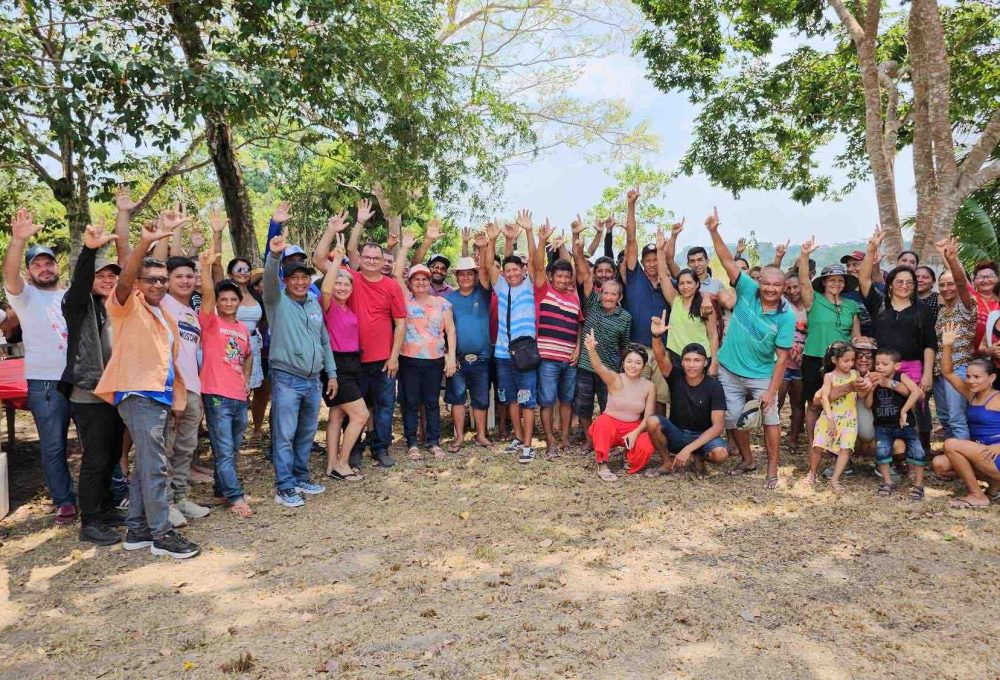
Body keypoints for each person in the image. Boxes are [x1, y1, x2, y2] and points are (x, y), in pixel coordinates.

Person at [93, 218, 199, 559]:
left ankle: (138, 530)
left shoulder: (161, 315)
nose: (159, 284)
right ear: (138, 282)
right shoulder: (126, 305)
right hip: (138, 394)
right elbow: (124, 279)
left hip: (159, 396)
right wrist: (145, 243)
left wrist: (177, 399)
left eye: (163, 280)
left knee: (144, 466)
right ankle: (161, 534)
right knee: (155, 465)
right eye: (152, 279)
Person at [706, 208, 795, 489]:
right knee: (732, 418)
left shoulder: (786, 316)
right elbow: (726, 260)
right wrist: (713, 231)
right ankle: (747, 459)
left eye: (776, 285)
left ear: (783, 288)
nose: (770, 289)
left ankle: (772, 467)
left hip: (761, 374)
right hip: (730, 369)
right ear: (759, 283)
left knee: (770, 419)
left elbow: (781, 360)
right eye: (766, 283)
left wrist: (771, 391)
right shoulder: (746, 290)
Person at [315, 203, 405, 469]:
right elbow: (320, 260)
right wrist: (357, 224)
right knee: (350, 409)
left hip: (383, 361)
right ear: (360, 258)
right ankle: (353, 450)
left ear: (383, 261)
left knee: (385, 407)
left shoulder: (392, 286)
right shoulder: (349, 280)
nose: (371, 261)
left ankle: (381, 448)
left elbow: (400, 324)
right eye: (367, 257)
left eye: (377, 258)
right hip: (353, 361)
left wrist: (394, 357)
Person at [2, 208, 74, 523]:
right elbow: (10, 275)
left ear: (57, 267)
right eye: (37, 264)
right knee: (54, 444)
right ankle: (64, 500)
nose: (44, 268)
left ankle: (107, 492)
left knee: (97, 440)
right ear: (29, 271)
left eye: (49, 262)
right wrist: (18, 241)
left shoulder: (71, 295)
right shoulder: (25, 297)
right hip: (45, 384)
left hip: (81, 379)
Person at [60, 224, 126, 544]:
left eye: (112, 276)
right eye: (102, 275)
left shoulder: (115, 308)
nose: (108, 280)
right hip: (88, 393)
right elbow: (79, 283)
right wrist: (89, 251)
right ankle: (90, 521)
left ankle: (108, 507)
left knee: (112, 453)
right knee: (96, 457)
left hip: (114, 392)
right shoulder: (78, 305)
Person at [263, 233, 337, 508]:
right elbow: (269, 281)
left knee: (306, 433)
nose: (300, 281)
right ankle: (284, 487)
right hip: (286, 379)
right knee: (284, 434)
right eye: (294, 277)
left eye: (304, 277)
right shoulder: (276, 301)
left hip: (313, 381)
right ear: (285, 279)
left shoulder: (313, 304)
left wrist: (332, 373)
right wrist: (272, 256)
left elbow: (324, 341)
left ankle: (300, 476)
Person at [860, 229, 936, 457]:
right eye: (899, 281)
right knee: (884, 408)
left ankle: (917, 452)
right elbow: (863, 279)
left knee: (914, 410)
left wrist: (928, 374)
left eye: (909, 282)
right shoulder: (879, 303)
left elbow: (929, 343)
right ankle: (890, 454)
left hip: (913, 366)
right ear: (890, 284)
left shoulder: (922, 310)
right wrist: (872, 248)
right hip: (882, 366)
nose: (904, 285)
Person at [196, 244, 253, 518]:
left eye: (233, 299)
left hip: (239, 396)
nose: (228, 303)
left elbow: (248, 355)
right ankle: (235, 496)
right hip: (216, 394)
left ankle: (221, 489)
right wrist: (205, 266)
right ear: (218, 302)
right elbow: (207, 293)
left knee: (232, 446)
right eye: (224, 299)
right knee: (224, 449)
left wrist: (247, 378)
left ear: (239, 302)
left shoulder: (242, 329)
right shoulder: (210, 322)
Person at [393, 230, 457, 460]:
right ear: (410, 283)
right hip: (409, 359)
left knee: (431, 402)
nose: (420, 282)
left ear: (429, 282)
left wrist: (450, 358)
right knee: (410, 402)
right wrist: (404, 248)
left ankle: (433, 441)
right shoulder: (404, 299)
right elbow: (395, 275)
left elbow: (450, 330)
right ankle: (412, 443)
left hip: (434, 360)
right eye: (416, 279)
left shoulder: (442, 303)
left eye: (424, 279)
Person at [571, 221, 632, 453]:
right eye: (605, 292)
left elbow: (624, 346)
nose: (608, 296)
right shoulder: (592, 301)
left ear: (619, 296)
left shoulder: (625, 317)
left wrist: (622, 370)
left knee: (609, 407)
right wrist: (578, 249)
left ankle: (611, 441)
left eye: (613, 294)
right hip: (586, 366)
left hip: (610, 370)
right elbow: (584, 273)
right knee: (583, 405)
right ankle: (589, 440)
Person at [157, 253, 209, 526]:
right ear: (167, 280)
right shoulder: (160, 303)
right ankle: (163, 504)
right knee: (164, 448)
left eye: (190, 276)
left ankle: (181, 498)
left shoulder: (192, 312)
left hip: (193, 388)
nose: (186, 280)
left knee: (186, 448)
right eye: (179, 276)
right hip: (169, 388)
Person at [483, 217, 538, 463]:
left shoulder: (529, 286)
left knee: (527, 399)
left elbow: (538, 261)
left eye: (516, 269)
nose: (512, 273)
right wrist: (494, 240)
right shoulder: (501, 287)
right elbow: (488, 265)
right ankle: (517, 437)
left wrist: (528, 232)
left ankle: (528, 444)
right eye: (508, 270)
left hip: (525, 352)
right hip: (503, 354)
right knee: (511, 397)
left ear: (523, 271)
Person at [797, 239, 862, 448]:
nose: (836, 284)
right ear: (824, 282)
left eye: (840, 280)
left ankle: (837, 445)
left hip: (840, 363)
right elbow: (804, 282)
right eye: (831, 280)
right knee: (814, 403)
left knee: (840, 404)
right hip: (814, 358)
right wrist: (805, 255)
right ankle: (813, 445)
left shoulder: (851, 305)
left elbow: (855, 337)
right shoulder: (813, 300)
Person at [645, 314, 728, 477]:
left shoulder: (714, 386)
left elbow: (718, 426)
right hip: (678, 433)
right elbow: (661, 357)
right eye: (687, 360)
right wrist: (656, 336)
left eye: (697, 360)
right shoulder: (676, 376)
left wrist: (688, 449)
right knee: (652, 421)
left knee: (720, 454)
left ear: (705, 363)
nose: (692, 365)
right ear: (681, 362)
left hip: (703, 435)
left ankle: (698, 455)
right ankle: (667, 462)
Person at [530, 220, 583, 457]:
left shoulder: (574, 298)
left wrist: (578, 348)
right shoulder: (543, 290)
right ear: (552, 277)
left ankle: (564, 440)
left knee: (567, 401)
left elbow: (579, 325)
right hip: (547, 358)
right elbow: (538, 267)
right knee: (547, 401)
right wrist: (542, 240)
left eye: (566, 277)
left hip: (569, 359)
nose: (563, 280)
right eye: (559, 276)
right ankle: (550, 441)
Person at [318, 232, 366, 481]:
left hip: (352, 363)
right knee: (361, 415)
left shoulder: (349, 308)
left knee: (337, 415)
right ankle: (343, 463)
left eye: (347, 284)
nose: (342, 287)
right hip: (334, 364)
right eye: (338, 283)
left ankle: (331, 465)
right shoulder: (326, 305)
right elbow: (326, 290)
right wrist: (337, 260)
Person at [938, 322, 1000, 508]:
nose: (971, 381)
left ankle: (977, 495)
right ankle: (994, 485)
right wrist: (947, 345)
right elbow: (947, 372)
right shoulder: (970, 393)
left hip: (995, 454)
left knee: (950, 444)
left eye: (977, 377)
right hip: (981, 453)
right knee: (940, 464)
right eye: (969, 376)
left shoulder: (998, 398)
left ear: (991, 378)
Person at [582, 330, 656, 481]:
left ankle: (628, 456)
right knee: (602, 422)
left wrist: (636, 433)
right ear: (623, 363)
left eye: (638, 362)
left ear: (643, 366)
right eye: (629, 361)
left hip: (633, 428)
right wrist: (591, 350)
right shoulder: (616, 379)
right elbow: (599, 367)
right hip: (611, 427)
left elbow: (648, 417)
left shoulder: (649, 386)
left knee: (647, 442)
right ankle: (602, 463)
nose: (633, 366)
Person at [620, 183, 670, 408]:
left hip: (662, 348)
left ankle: (658, 440)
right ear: (642, 261)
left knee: (660, 398)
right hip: (636, 347)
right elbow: (631, 240)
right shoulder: (635, 277)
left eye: (655, 259)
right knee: (635, 399)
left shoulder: (672, 285)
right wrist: (631, 206)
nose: (652, 263)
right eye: (647, 259)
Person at [445, 251, 493, 451]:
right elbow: (445, 330)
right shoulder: (449, 299)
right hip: (457, 360)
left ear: (475, 275)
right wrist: (449, 356)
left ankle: (481, 435)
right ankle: (458, 437)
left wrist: (483, 249)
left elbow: (485, 272)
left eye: (469, 274)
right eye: (461, 274)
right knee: (457, 398)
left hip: (482, 358)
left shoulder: (483, 293)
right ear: (456, 277)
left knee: (481, 398)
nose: (465, 277)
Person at [655, 231, 719, 374]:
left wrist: (714, 363)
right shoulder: (675, 300)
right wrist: (660, 250)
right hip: (677, 357)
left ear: (697, 284)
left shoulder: (705, 305)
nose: (685, 286)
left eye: (689, 282)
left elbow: (713, 336)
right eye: (682, 283)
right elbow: (663, 277)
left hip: (700, 358)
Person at [866, 348, 926, 500]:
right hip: (882, 425)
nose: (879, 367)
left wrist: (904, 410)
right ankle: (887, 482)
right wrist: (871, 388)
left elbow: (916, 392)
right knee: (882, 452)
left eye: (885, 364)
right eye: (877, 363)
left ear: (897, 366)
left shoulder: (901, 376)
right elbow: (868, 405)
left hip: (905, 424)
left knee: (917, 451)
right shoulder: (874, 380)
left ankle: (919, 485)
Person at [933, 237, 975, 440]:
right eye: (942, 284)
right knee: (944, 418)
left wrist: (952, 259)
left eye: (950, 284)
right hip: (940, 370)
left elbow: (960, 281)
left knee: (957, 418)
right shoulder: (943, 310)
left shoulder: (966, 306)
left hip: (958, 368)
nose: (946, 288)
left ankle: (964, 459)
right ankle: (953, 458)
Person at [804, 342, 859, 493]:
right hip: (830, 417)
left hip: (849, 419)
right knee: (818, 446)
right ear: (835, 360)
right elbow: (825, 398)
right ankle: (813, 472)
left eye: (852, 360)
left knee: (845, 449)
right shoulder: (829, 376)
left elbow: (861, 395)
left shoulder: (855, 375)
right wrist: (829, 419)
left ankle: (835, 478)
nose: (850, 364)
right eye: (846, 360)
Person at [779, 271, 807, 452]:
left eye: (796, 286)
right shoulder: (783, 305)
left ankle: (793, 438)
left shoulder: (810, 307)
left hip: (802, 365)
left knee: (798, 403)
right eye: (788, 287)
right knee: (777, 403)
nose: (792, 291)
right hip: (782, 362)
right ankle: (770, 437)